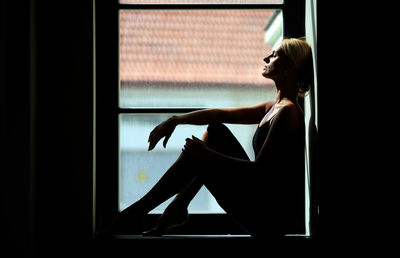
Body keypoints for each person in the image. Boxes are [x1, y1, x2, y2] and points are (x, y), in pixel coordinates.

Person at [106, 38, 313, 238]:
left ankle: (144, 211)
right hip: (258, 203)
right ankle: (170, 207)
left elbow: (259, 172)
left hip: (268, 220)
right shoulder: (273, 108)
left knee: (202, 154)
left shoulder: (288, 112)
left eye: (274, 55)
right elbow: (219, 115)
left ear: (289, 67)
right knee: (216, 131)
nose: (266, 58)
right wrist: (176, 120)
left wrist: (206, 155)